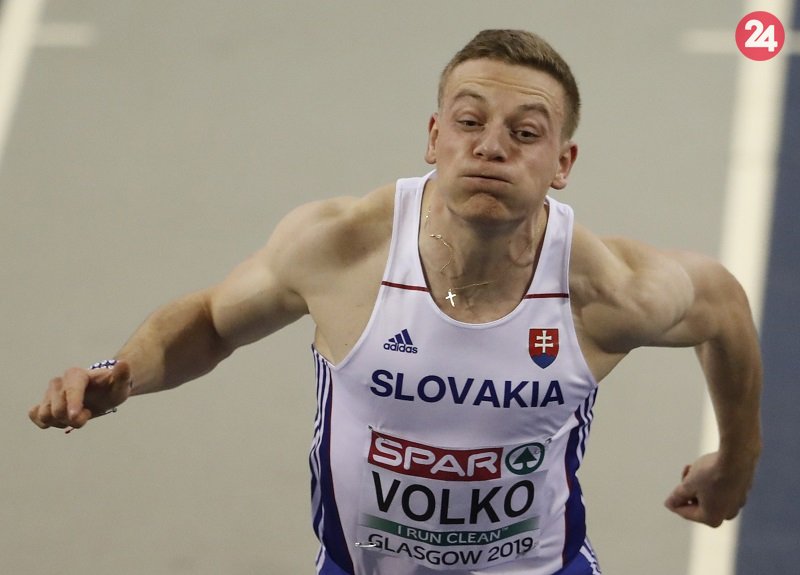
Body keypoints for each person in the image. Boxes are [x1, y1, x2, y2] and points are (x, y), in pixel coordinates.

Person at [29, 29, 762, 575]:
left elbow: (724, 307)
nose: (491, 147)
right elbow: (214, 321)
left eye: (525, 133)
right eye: (469, 122)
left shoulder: (605, 291)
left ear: (562, 162)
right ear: (434, 137)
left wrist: (738, 457)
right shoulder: (343, 248)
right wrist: (122, 371)